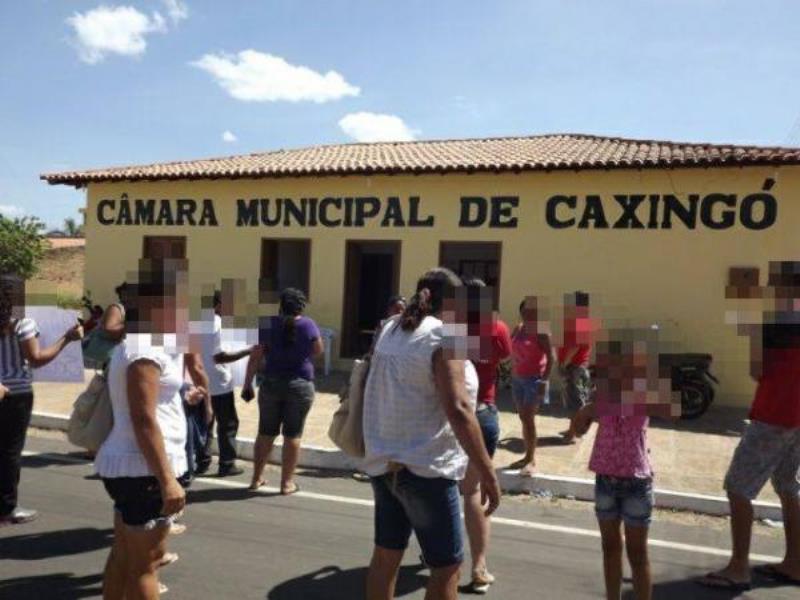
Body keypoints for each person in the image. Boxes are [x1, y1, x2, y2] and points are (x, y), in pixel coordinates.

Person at [363, 268, 501, 600]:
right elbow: (459, 408)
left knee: (386, 556)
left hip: (384, 464)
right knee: (447, 566)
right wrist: (487, 471)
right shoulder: (445, 336)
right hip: (426, 470)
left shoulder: (391, 328)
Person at [699, 260, 800, 591]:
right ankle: (795, 562)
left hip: (773, 415)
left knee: (738, 486)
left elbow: (757, 371)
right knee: (788, 484)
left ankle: (738, 567)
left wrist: (753, 335)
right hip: (797, 417)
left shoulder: (772, 324)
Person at [97, 260, 189, 599]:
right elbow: (143, 418)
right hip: (143, 470)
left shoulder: (147, 344)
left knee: (125, 556)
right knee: (145, 565)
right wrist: (167, 480)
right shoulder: (144, 349)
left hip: (136, 467)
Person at [571, 330, 678, 600]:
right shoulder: (601, 397)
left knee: (637, 554)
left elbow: (672, 410)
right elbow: (578, 429)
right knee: (610, 549)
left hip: (637, 483)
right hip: (605, 480)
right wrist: (585, 411)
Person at [0, 275, 83, 525]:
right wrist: (66, 339)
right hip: (16, 394)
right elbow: (36, 358)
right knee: (10, 452)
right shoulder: (22, 323)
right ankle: (6, 508)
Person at [242, 288, 323, 495]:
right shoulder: (308, 325)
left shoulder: (267, 324)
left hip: (271, 384)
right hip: (300, 385)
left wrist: (247, 384)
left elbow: (255, 356)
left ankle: (256, 478)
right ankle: (287, 483)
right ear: (301, 306)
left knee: (265, 432)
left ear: (280, 305)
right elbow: (318, 350)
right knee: (292, 434)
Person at [460, 277, 511, 594]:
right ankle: (479, 567)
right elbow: (504, 357)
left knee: (443, 489)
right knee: (473, 493)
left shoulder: (451, 328)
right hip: (484, 413)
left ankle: (441, 552)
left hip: (453, 415)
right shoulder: (498, 328)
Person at [199, 288, 253, 477]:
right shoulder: (217, 324)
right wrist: (248, 352)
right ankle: (227, 464)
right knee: (228, 424)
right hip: (218, 382)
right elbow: (220, 356)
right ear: (219, 305)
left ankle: (201, 461)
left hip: (200, 380)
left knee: (205, 423)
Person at [510, 296, 555, 477]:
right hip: (518, 379)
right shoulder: (519, 329)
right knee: (523, 417)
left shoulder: (542, 331)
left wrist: (544, 381)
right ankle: (527, 454)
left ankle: (531, 458)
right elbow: (510, 347)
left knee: (528, 418)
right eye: (525, 311)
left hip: (535, 380)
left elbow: (551, 358)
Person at [558, 291, 594, 443]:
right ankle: (573, 429)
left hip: (575, 367)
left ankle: (574, 433)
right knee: (574, 400)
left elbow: (575, 346)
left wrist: (564, 363)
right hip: (576, 366)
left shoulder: (581, 322)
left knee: (576, 402)